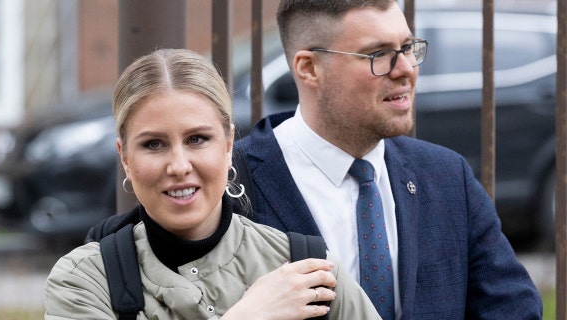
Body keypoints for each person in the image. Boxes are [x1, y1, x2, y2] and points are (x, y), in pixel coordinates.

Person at [232, 0, 543, 319]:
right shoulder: (233, 186)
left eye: (407, 47)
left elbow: (513, 310)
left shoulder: (446, 177)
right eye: (378, 54)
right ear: (309, 68)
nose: (406, 68)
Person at [44, 48, 382, 319]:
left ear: (228, 144)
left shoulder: (305, 273)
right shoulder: (85, 281)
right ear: (125, 157)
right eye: (153, 144)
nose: (178, 166)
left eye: (197, 139)